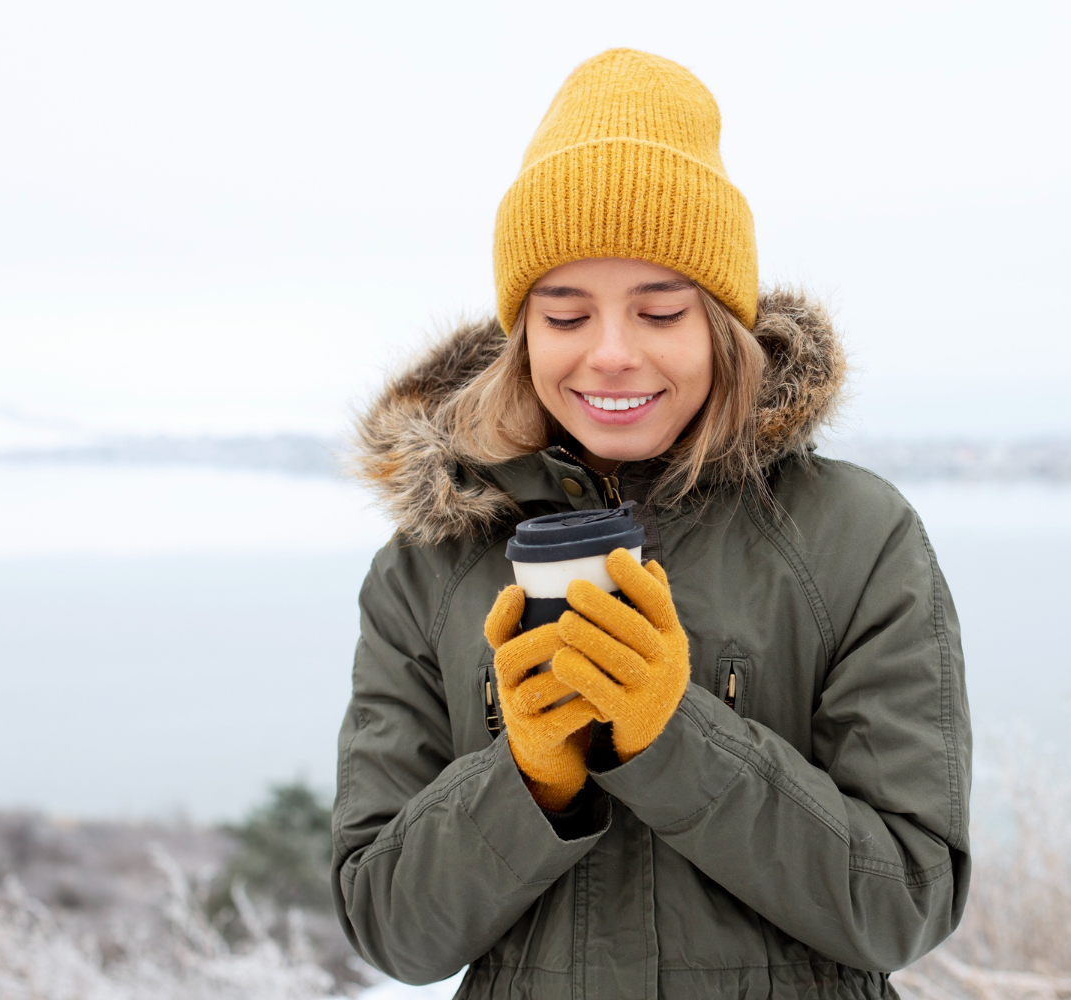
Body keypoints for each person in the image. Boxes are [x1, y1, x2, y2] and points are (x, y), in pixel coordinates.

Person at [331, 48, 971, 1000]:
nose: (612, 355)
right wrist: (529, 779)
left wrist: (673, 736)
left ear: (721, 325)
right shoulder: (431, 565)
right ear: (523, 335)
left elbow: (903, 903)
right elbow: (392, 931)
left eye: (661, 311)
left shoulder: (853, 537)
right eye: (566, 314)